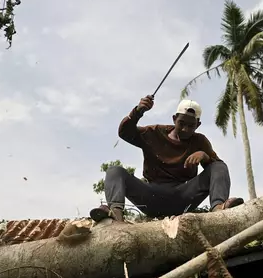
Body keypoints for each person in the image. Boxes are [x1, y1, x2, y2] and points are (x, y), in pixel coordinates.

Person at [90, 95, 244, 222]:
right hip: (151, 196)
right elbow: (124, 132)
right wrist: (138, 111)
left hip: (183, 197)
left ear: (198, 125)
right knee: (114, 171)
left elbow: (218, 169)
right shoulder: (154, 133)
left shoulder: (199, 141)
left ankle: (218, 209)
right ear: (174, 118)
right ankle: (116, 216)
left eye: (191, 126)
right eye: (181, 123)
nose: (185, 129)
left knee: (219, 166)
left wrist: (204, 157)